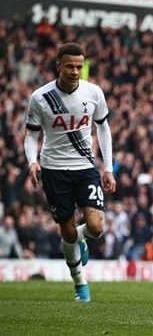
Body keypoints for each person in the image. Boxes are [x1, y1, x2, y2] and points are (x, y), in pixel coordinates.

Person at [24, 42, 116, 302]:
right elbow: (31, 135)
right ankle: (80, 283)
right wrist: (33, 161)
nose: (75, 71)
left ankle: (81, 241)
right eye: (69, 66)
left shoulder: (94, 92)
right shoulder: (40, 97)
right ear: (58, 66)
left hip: (85, 167)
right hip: (53, 169)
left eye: (79, 66)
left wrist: (107, 168)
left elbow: (103, 129)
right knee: (68, 232)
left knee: (96, 227)